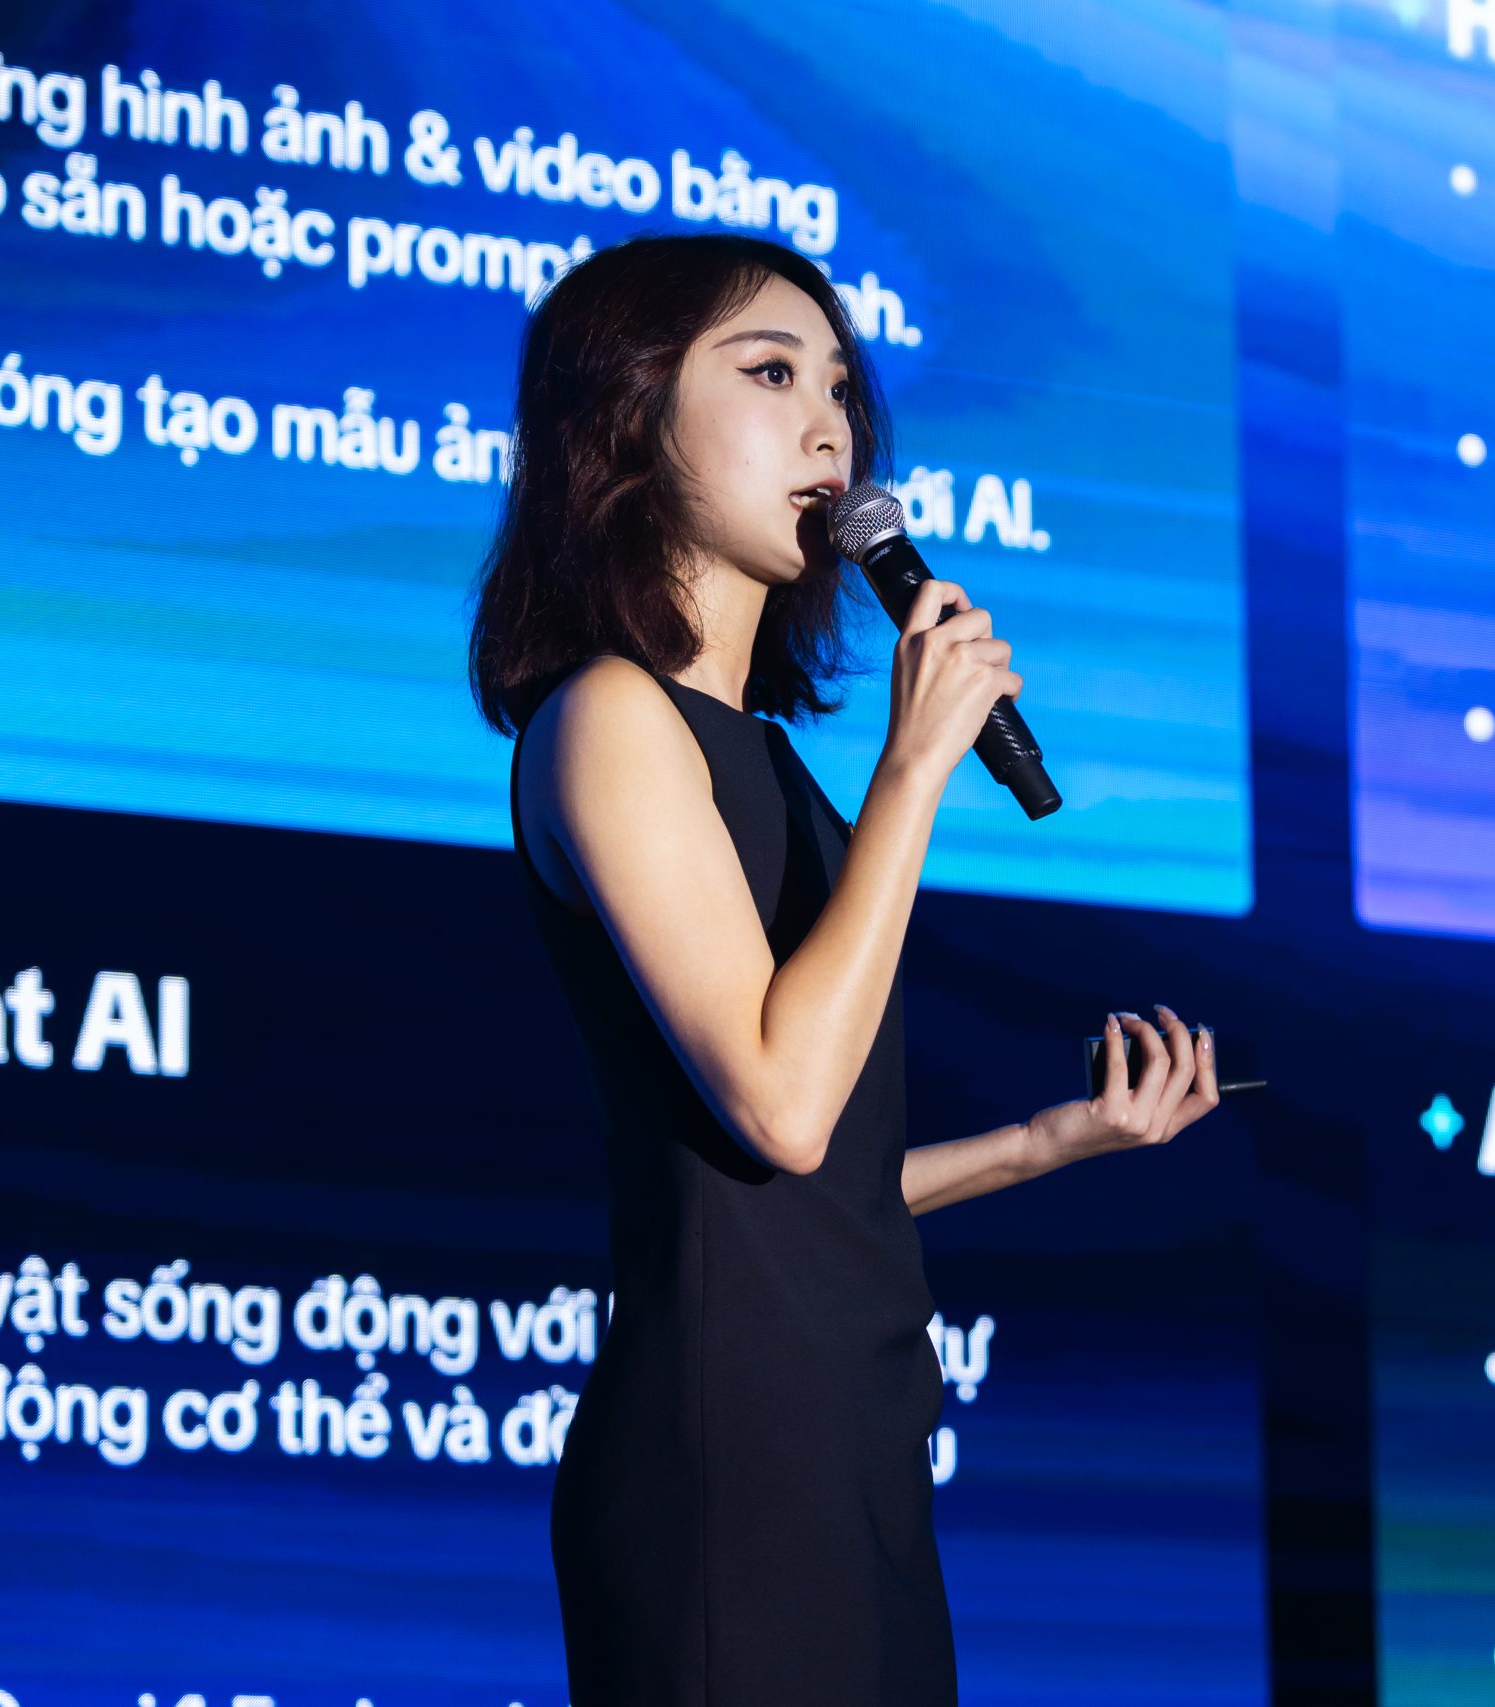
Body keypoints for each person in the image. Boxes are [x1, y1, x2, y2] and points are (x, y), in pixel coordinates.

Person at [466, 231, 1224, 1703]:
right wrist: (916, 768)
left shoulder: (770, 763)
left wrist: (1044, 1143)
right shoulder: (611, 717)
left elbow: (803, 1192)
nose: (829, 428)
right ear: (626, 418)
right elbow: (780, 1105)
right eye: (769, 374)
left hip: (853, 1439)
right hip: (728, 1456)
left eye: (839, 388)